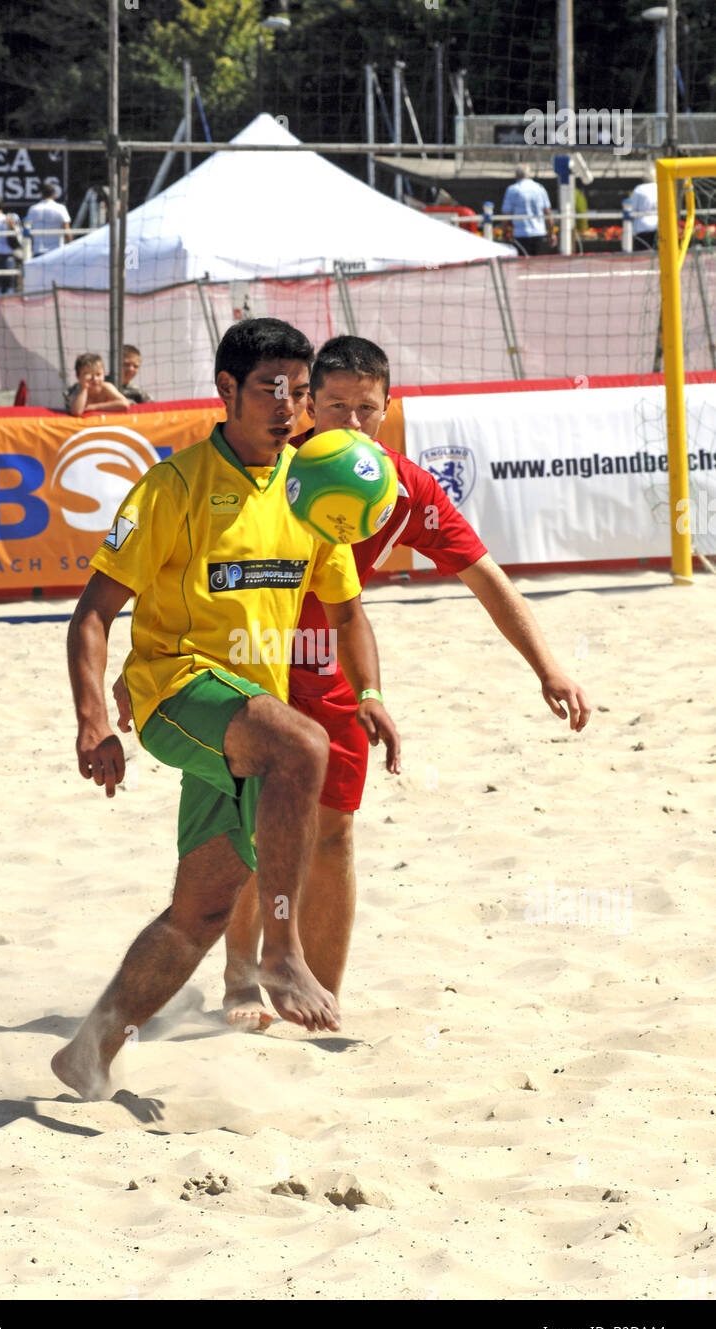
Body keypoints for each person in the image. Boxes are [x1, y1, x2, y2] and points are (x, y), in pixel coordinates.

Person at [193, 335, 589, 1030]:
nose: (350, 423)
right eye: (336, 405)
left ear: (387, 409)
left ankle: (322, 998)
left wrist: (547, 665)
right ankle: (239, 982)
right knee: (261, 832)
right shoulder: (269, 469)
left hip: (340, 670)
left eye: (365, 409)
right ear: (309, 403)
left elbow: (485, 576)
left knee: (335, 836)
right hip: (255, 662)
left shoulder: (406, 487)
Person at [52, 318, 401, 1100]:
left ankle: (89, 1049)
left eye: (301, 394)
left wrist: (371, 693)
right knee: (304, 746)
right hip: (175, 691)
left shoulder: (311, 490)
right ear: (227, 393)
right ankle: (280, 949)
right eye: (272, 392)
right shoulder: (173, 486)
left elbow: (348, 613)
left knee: (201, 910)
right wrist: (92, 720)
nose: (289, 409)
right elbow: (93, 614)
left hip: (248, 723)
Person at [501, 164, 556, 256]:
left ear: (516, 175)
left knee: (523, 266)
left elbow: (506, 214)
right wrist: (552, 233)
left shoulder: (512, 190)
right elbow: (548, 212)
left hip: (521, 234)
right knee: (538, 265)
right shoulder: (539, 188)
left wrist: (504, 233)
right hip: (539, 232)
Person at [66, 353, 130, 416]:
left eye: (98, 374)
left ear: (104, 374)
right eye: (89, 374)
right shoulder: (77, 391)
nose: (95, 379)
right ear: (78, 377)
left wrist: (94, 407)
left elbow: (125, 404)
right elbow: (77, 412)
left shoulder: (106, 387)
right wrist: (84, 389)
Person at [24, 180, 72, 257]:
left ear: (41, 194)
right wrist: (71, 247)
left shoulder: (32, 209)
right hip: (56, 252)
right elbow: (67, 230)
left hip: (38, 251)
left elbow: (27, 230)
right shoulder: (60, 208)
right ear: (54, 194)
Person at [629, 165, 658, 251]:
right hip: (659, 226)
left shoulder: (639, 189)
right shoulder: (661, 187)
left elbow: (631, 209)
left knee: (642, 256)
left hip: (642, 228)